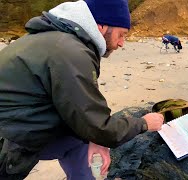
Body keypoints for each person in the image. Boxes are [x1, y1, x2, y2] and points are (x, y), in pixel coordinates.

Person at [0, 0, 164, 179]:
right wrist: (144, 123)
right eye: (121, 34)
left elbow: (82, 111)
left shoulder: (56, 40)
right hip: (8, 142)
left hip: (24, 126)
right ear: (101, 26)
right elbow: (99, 126)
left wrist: (93, 138)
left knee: (79, 143)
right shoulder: (70, 52)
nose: (122, 43)